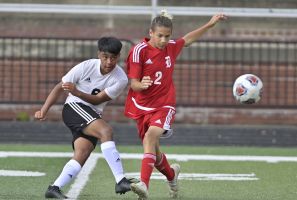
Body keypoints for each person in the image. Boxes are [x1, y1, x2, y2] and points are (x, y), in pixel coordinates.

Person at [124, 10, 227, 199]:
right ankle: (172, 176)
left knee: (150, 137)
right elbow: (133, 84)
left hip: (164, 104)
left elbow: (188, 39)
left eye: (167, 36)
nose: (164, 40)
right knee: (153, 153)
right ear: (151, 33)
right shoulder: (139, 51)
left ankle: (144, 185)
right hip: (142, 106)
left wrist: (210, 24)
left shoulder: (171, 47)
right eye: (160, 36)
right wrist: (142, 84)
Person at [35, 37, 133, 199]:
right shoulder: (86, 66)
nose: (109, 61)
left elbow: (98, 99)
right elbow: (60, 87)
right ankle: (120, 179)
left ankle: (54, 188)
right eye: (105, 57)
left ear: (119, 57)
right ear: (99, 54)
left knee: (83, 152)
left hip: (92, 113)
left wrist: (77, 91)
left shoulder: (121, 78)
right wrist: (44, 109)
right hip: (74, 108)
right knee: (106, 131)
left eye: (113, 58)